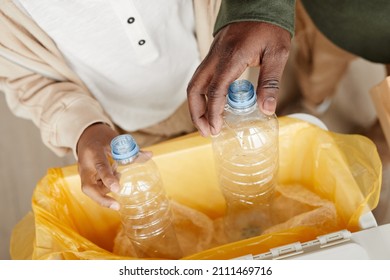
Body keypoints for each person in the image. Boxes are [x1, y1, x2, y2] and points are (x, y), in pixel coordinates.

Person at [0, 0, 296, 211]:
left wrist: (262, 8)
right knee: (175, 206)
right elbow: (26, 78)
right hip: (123, 124)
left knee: (247, 187)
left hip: (219, 78)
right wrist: (84, 129)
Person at [187, 0, 390, 137]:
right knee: (317, 73)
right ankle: (314, 104)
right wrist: (260, 8)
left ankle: (382, 146)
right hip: (340, 17)